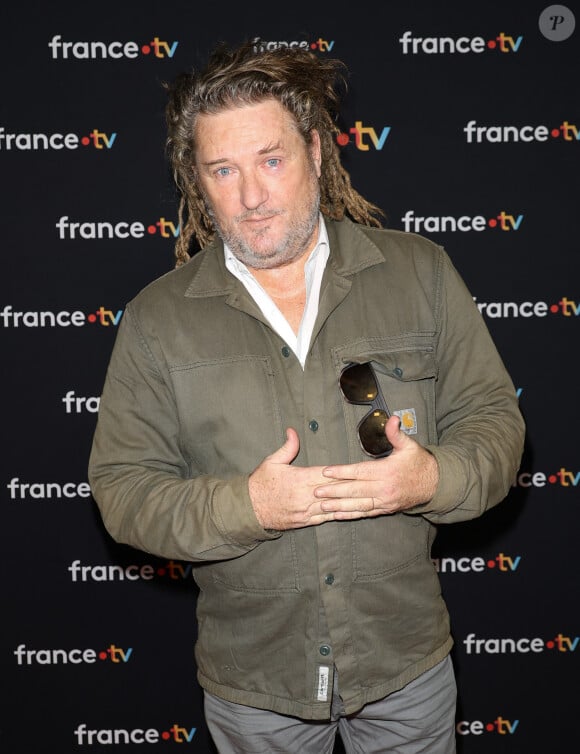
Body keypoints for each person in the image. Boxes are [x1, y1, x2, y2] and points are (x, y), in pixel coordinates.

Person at [88, 40, 525, 754]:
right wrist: (248, 508)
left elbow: (495, 425)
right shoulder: (157, 319)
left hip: (406, 668)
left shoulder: (421, 273)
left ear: (316, 154)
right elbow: (121, 490)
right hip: (255, 688)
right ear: (198, 182)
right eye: (222, 170)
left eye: (271, 159)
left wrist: (433, 478)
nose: (251, 196)